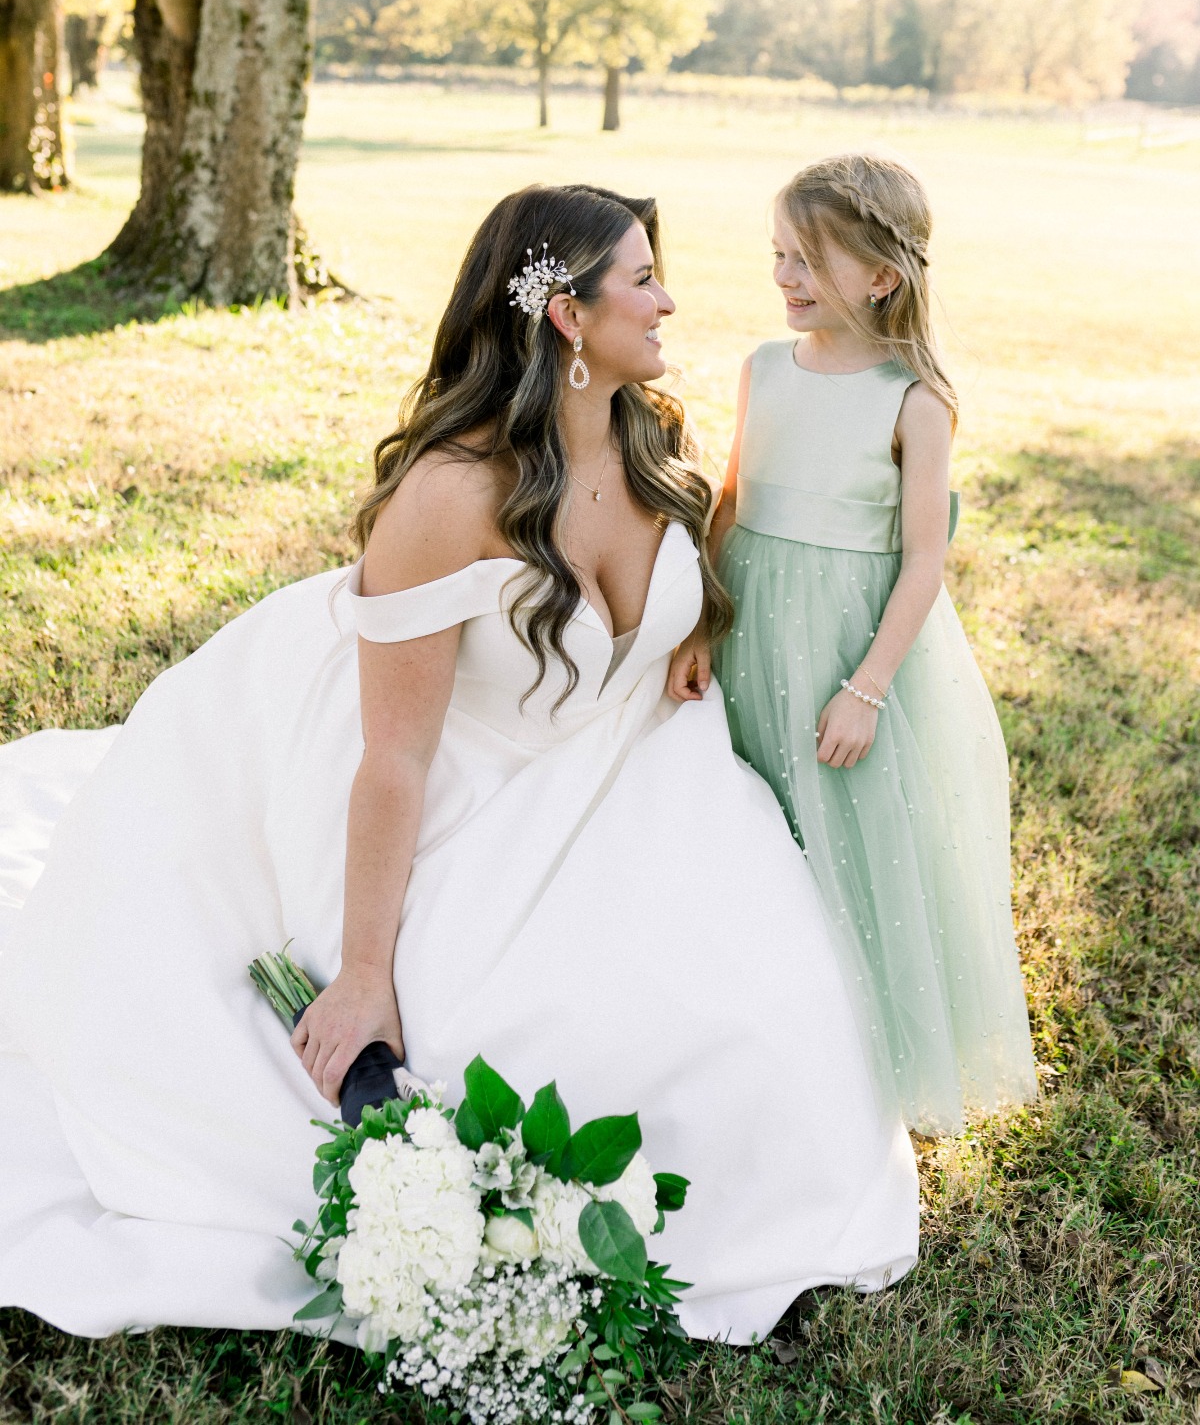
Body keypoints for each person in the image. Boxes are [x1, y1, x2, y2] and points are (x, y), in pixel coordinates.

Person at [0, 182, 917, 1348]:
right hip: (463, 780)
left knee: (783, 1001)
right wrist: (363, 972)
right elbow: (393, 758)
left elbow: (704, 558)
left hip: (642, 773)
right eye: (641, 277)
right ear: (568, 316)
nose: (669, 298)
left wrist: (690, 626)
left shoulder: (652, 437)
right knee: (524, 1025)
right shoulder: (450, 495)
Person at [668, 155, 1038, 1137]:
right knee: (763, 825)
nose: (785, 278)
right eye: (779, 256)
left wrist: (867, 687)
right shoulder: (762, 369)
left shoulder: (912, 400)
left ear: (881, 276)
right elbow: (735, 501)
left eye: (809, 260)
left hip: (848, 650)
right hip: (756, 628)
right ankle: (759, 1036)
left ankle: (862, 1064)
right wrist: (703, 624)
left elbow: (924, 562)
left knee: (852, 845)